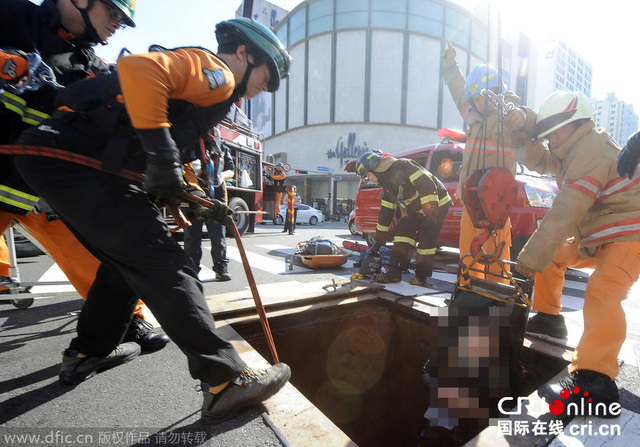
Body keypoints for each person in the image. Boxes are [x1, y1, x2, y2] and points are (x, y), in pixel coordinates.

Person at [12, 17, 293, 424]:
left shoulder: (208, 99)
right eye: (270, 75)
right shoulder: (215, 73)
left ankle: (86, 351)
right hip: (77, 163)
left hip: (60, 162)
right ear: (245, 54)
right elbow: (140, 69)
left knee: (122, 263)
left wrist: (190, 197)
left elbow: (152, 152)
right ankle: (224, 379)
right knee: (165, 264)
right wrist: (162, 154)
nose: (267, 87)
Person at [0, 0, 169, 352]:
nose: (117, 25)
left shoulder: (90, 63)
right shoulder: (11, 16)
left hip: (46, 182)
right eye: (114, 13)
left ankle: (126, 322)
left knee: (101, 254)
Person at [516, 91, 640, 418]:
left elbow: (567, 208)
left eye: (556, 132)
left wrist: (529, 258)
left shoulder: (591, 149)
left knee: (602, 291)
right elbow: (541, 159)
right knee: (554, 254)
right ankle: (548, 317)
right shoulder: (568, 150)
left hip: (630, 235)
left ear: (579, 124)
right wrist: (520, 131)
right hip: (600, 235)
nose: (551, 140)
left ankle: (595, 380)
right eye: (548, 135)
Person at [441, 42, 537, 283]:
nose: (481, 103)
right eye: (477, 99)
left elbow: (529, 125)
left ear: (498, 92)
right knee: (467, 252)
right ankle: (468, 292)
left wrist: (522, 118)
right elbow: (457, 90)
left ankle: (499, 296)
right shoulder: (473, 117)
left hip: (496, 200)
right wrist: (450, 65)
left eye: (485, 97)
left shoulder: (509, 117)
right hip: (472, 199)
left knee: (498, 253)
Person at [355, 151, 452, 285]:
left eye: (367, 175)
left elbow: (427, 184)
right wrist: (379, 242)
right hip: (417, 209)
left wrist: (431, 213)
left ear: (373, 168)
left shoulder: (403, 165)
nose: (369, 179)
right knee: (403, 231)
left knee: (426, 238)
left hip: (437, 204)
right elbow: (385, 214)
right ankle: (395, 273)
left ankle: (421, 277)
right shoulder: (387, 187)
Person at [183, 138, 235, 282]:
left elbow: (231, 170)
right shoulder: (188, 142)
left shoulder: (221, 147)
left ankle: (221, 268)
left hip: (216, 195)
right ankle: (192, 269)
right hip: (193, 195)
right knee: (191, 236)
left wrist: (221, 176)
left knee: (218, 235)